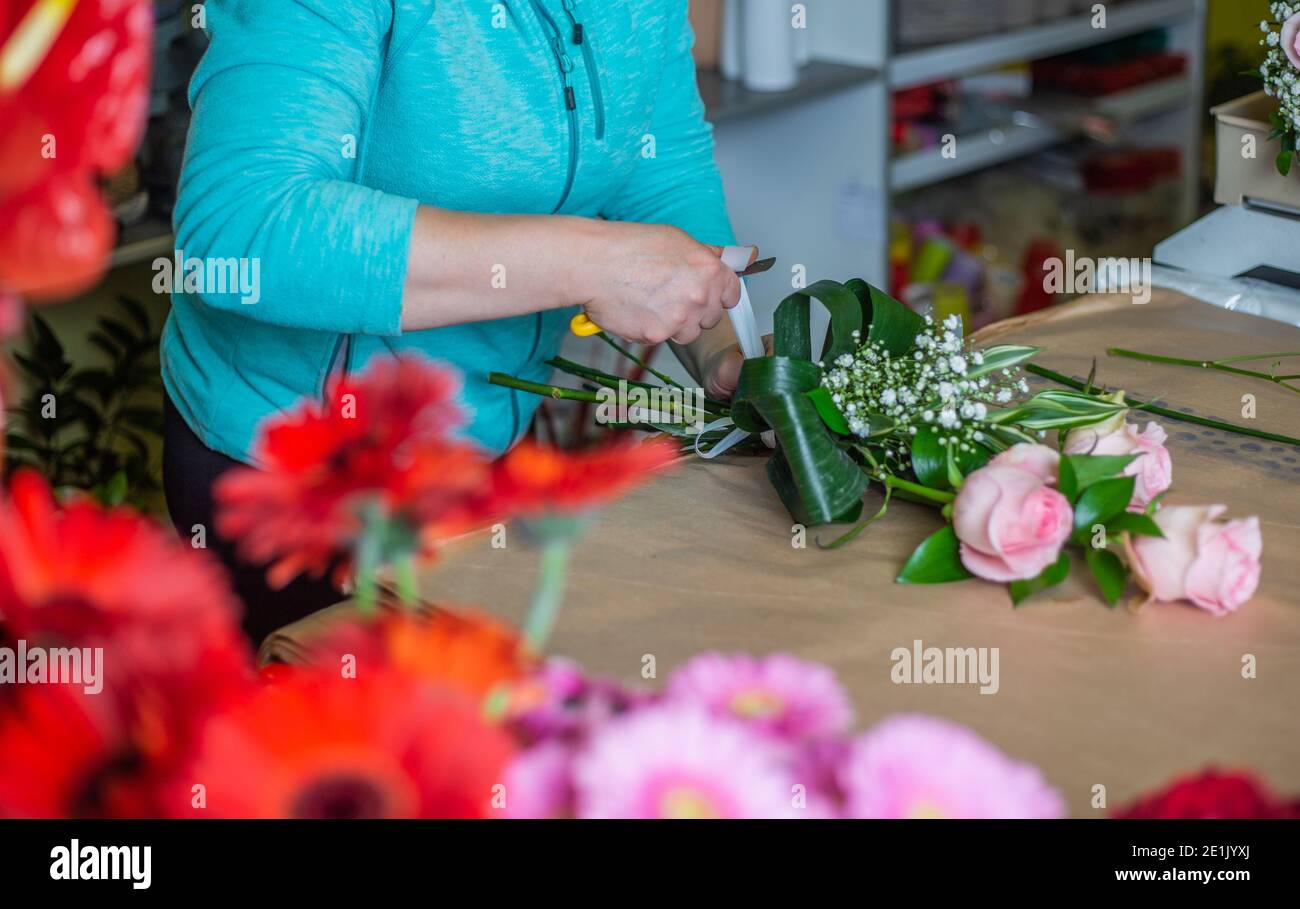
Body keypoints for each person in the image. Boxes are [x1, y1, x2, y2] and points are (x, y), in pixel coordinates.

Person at [161, 0, 749, 645]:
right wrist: (589, 263)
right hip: (302, 469)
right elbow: (244, 230)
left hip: (490, 435)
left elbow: (661, 173)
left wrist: (727, 354)